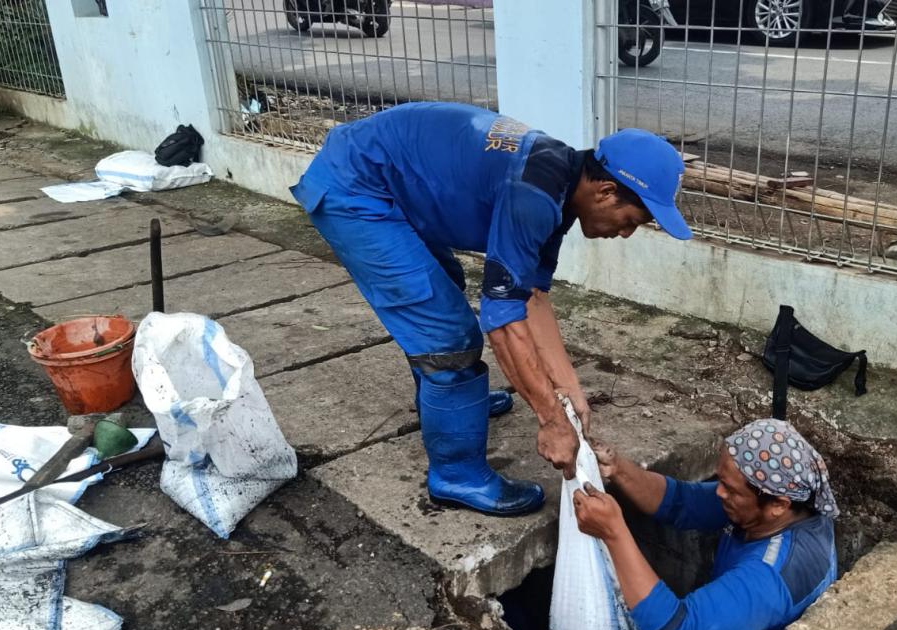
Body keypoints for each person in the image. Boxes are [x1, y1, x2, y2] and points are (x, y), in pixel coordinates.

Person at [291, 102, 692, 517]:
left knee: (444, 288)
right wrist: (552, 420)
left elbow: (531, 295)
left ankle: (447, 401)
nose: (626, 233)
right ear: (606, 191)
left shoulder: (561, 186)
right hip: (356, 188)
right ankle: (456, 474)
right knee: (448, 336)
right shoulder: (533, 195)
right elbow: (502, 320)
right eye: (633, 219)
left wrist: (570, 391)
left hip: (387, 176)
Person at [572, 419, 838, 630]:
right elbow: (681, 502)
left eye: (730, 488)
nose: (719, 491)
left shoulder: (772, 575)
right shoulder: (783, 506)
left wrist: (614, 532)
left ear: (778, 505)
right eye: (722, 480)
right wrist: (619, 470)